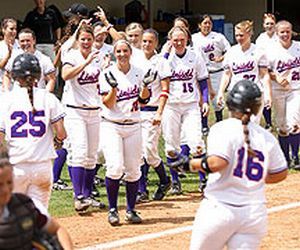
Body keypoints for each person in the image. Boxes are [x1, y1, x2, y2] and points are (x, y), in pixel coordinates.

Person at [188, 79, 288, 250]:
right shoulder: (266, 137)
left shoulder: (222, 128)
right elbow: (281, 173)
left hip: (219, 209)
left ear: (230, 103)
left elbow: (218, 163)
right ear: (257, 108)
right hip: (254, 214)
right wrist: (253, 177)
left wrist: (190, 164)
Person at [0, 53, 66, 213]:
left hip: (15, 168)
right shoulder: (49, 98)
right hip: (42, 167)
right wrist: (57, 140)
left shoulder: (5, 100)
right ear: (38, 75)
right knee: (40, 216)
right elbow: (62, 133)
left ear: (15, 76)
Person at [99, 39, 153, 226]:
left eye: (125, 51)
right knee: (114, 167)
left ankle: (130, 209)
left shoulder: (138, 72)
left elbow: (144, 101)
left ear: (130, 52)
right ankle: (113, 209)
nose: (122, 54)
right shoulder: (107, 73)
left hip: (133, 124)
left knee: (133, 169)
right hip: (111, 124)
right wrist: (114, 88)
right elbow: (108, 103)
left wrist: (145, 86)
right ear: (114, 53)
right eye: (119, 51)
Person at [61, 24, 105, 212]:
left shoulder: (100, 55)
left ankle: (87, 195)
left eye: (89, 39)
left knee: (91, 155)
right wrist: (85, 63)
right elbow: (65, 75)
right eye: (83, 39)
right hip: (75, 110)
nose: (86, 42)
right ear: (78, 40)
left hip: (95, 110)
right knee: (79, 152)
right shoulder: (71, 56)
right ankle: (78, 196)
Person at [163, 26, 209, 195]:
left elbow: (203, 79)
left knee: (196, 143)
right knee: (171, 146)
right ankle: (175, 182)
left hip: (190, 104)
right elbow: (158, 73)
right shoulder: (165, 57)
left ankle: (204, 181)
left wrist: (205, 101)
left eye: (182, 39)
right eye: (175, 40)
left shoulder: (195, 55)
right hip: (171, 105)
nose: (179, 42)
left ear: (187, 39)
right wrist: (166, 55)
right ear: (170, 41)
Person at [0, 145, 73, 250]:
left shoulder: (24, 205)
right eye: (0, 184)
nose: (6, 190)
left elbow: (58, 230)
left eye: (9, 182)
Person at [136, 28, 171, 202]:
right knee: (139, 152)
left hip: (152, 111)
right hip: (136, 111)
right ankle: (142, 190)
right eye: (144, 41)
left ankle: (164, 180)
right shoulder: (135, 60)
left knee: (149, 150)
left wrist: (159, 112)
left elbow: (165, 90)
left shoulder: (161, 62)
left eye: (150, 41)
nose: (147, 44)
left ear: (156, 43)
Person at [217, 20, 271, 124]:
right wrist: (220, 92)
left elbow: (264, 74)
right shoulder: (231, 52)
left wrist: (268, 93)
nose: (238, 38)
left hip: (254, 92)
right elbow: (227, 74)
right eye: (236, 35)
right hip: (236, 92)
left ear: (250, 33)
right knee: (235, 125)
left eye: (241, 35)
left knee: (252, 125)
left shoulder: (258, 51)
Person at [267, 20, 300, 169]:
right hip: (278, 90)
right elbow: (265, 70)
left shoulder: (298, 47)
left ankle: (296, 157)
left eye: (288, 31)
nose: (285, 34)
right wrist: (277, 77)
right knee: (282, 127)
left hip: (296, 89)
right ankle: (285, 158)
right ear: (276, 33)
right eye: (282, 32)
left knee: (294, 123)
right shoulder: (271, 50)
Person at [192, 14, 231, 125]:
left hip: (216, 72)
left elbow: (229, 50)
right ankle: (204, 125)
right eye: (205, 23)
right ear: (199, 25)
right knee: (202, 100)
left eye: (209, 23)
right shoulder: (194, 38)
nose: (207, 25)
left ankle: (219, 122)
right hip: (201, 73)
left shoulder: (219, 37)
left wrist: (221, 58)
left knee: (217, 100)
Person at [3, 28, 56, 93]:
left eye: (28, 40)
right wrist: (6, 91)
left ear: (34, 41)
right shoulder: (14, 57)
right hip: (18, 98)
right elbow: (7, 75)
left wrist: (45, 94)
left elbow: (51, 79)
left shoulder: (44, 59)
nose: (25, 43)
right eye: (22, 41)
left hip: (37, 97)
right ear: (19, 42)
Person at [256, 13, 277, 131]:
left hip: (278, 72)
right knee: (265, 97)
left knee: (279, 97)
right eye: (267, 23)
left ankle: (282, 121)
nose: (269, 26)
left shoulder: (280, 36)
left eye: (272, 23)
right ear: (264, 25)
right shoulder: (260, 38)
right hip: (265, 71)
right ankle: (268, 123)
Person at [0, 18, 19, 94]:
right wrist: (9, 55)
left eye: (15, 29)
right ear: (3, 30)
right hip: (2, 86)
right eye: (11, 29)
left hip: (18, 86)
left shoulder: (21, 44)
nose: (14, 31)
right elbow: (0, 66)